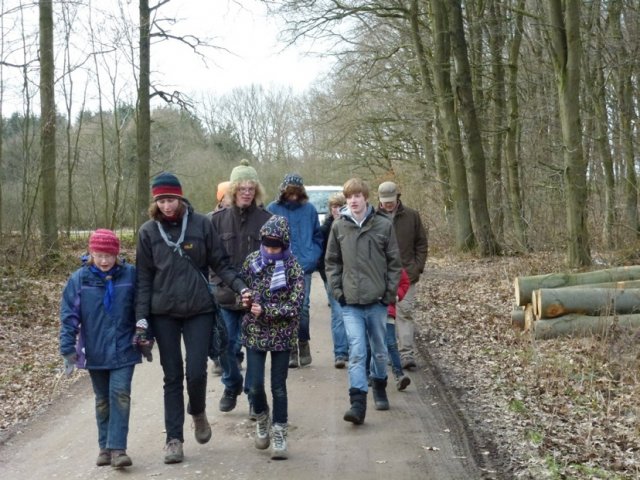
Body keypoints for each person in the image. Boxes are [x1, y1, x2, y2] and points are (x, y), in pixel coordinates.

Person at [135, 172, 251, 464]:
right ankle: (174, 439)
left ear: (180, 197)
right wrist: (141, 319)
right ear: (155, 202)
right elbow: (143, 279)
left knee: (196, 372)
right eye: (161, 201)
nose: (167, 206)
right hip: (164, 313)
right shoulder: (148, 232)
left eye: (171, 199)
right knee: (172, 376)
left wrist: (241, 287)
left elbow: (220, 263)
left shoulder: (201, 224)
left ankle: (197, 412)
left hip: (199, 309)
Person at [60, 229, 144, 469]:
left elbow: (141, 306)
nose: (104, 260)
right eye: (99, 255)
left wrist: (145, 333)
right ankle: (104, 448)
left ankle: (118, 449)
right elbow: (69, 315)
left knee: (120, 394)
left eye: (109, 255)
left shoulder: (130, 275)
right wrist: (67, 348)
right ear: (91, 254)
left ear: (117, 254)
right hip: (95, 350)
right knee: (102, 400)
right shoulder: (80, 279)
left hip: (125, 347)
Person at [325, 178, 402, 425]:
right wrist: (338, 292)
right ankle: (357, 403)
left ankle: (379, 386)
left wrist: (389, 293)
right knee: (357, 351)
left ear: (366, 198)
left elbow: (394, 263)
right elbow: (332, 262)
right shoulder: (339, 227)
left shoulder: (383, 225)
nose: (353, 201)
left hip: (377, 301)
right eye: (349, 197)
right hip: (351, 303)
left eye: (357, 196)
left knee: (379, 351)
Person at [210, 160, 271, 415]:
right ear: (233, 190)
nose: (246, 193)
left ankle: (253, 394)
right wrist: (217, 284)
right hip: (225, 295)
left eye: (251, 188)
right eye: (242, 188)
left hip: (256, 299)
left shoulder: (268, 220)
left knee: (255, 349)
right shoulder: (215, 221)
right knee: (226, 347)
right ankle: (231, 384)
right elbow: (210, 260)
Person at [240, 215, 303, 460]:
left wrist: (268, 310)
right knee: (255, 385)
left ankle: (280, 433)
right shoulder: (252, 262)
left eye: (275, 246)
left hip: (282, 335)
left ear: (284, 244)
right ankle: (262, 417)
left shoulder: (293, 267)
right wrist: (244, 300)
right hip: (255, 332)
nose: (270, 250)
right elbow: (240, 290)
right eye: (267, 244)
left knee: (278, 387)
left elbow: (296, 306)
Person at [267, 173, 323, 368]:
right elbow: (265, 238)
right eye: (289, 191)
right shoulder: (272, 209)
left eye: (296, 191)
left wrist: (312, 256)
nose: (292, 195)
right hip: (280, 267)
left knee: (303, 307)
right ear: (283, 191)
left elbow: (318, 237)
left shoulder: (310, 210)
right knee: (285, 308)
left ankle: (303, 341)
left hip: (304, 265)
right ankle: (291, 348)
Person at [377, 181, 428, 370]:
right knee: (384, 315)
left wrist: (417, 267)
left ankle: (407, 354)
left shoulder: (412, 216)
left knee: (405, 313)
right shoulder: (373, 218)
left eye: (391, 200)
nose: (388, 204)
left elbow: (421, 243)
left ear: (397, 197)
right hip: (381, 276)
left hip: (407, 274)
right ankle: (389, 353)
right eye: (385, 201)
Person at [318, 192, 348, 368]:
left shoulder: (351, 225)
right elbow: (321, 257)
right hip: (332, 276)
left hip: (351, 276)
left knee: (351, 313)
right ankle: (340, 353)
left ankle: (353, 349)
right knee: (338, 313)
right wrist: (326, 276)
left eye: (340, 206)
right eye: (334, 207)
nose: (337, 210)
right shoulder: (325, 229)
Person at [208, 179, 232, 377]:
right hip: (214, 278)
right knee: (217, 322)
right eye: (228, 196)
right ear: (221, 198)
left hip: (234, 277)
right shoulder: (210, 220)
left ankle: (233, 357)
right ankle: (218, 359)